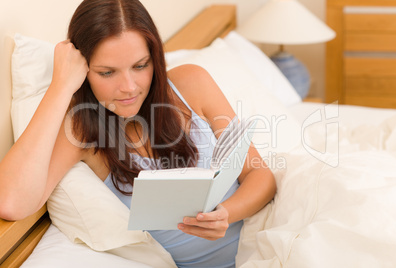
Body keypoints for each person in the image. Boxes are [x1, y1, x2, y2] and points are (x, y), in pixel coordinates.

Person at [0, 0, 276, 267]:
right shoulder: (81, 131)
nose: (129, 87)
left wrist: (226, 214)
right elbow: (11, 203)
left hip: (264, 242)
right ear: (83, 71)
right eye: (107, 72)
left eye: (140, 66)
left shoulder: (192, 84)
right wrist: (60, 87)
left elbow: (259, 174)